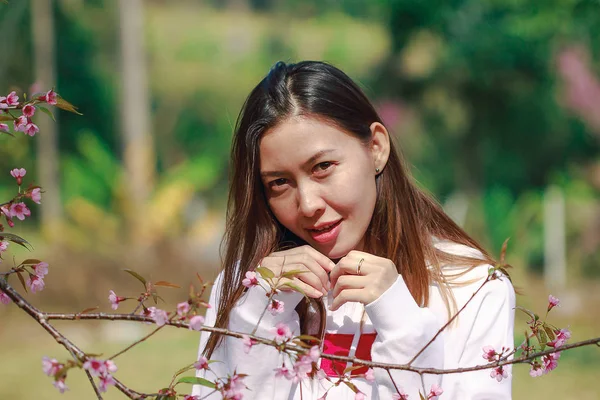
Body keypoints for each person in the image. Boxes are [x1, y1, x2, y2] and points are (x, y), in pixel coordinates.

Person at [192, 61, 515, 399]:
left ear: (376, 147)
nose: (307, 204)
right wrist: (259, 317)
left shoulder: (473, 288)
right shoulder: (246, 290)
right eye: (280, 182)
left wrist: (399, 321)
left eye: (322, 167)